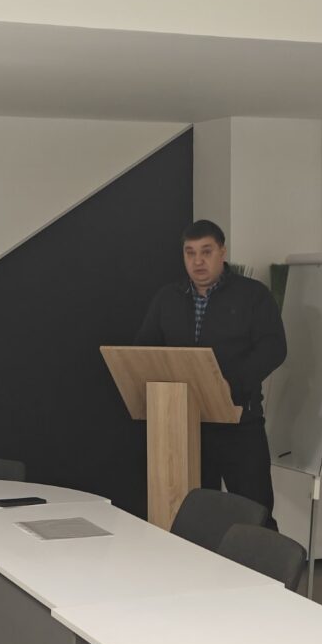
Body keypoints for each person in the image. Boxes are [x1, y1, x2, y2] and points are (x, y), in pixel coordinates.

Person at [135, 219, 287, 526]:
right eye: (190, 253)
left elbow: (274, 348)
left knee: (254, 511)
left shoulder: (252, 295)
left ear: (222, 252)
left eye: (206, 251)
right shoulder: (168, 298)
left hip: (238, 419)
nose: (198, 261)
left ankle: (264, 559)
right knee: (195, 517)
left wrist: (230, 384)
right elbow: (145, 350)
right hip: (184, 423)